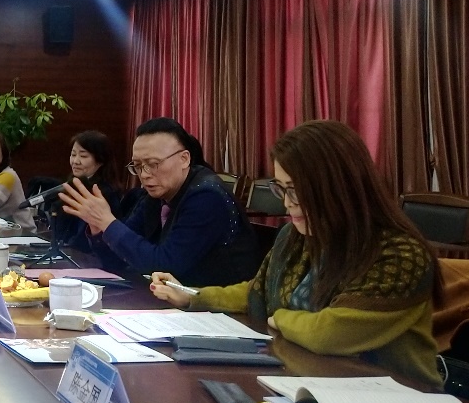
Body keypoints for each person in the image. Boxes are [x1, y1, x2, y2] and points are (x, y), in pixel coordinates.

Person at [151, 120, 442, 388]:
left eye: (297, 190)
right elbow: (257, 291)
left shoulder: (400, 255)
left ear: (340, 187)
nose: (288, 203)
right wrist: (191, 296)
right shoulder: (296, 237)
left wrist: (280, 318)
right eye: (282, 189)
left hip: (397, 400)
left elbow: (330, 333)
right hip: (313, 383)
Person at [59, 117, 259, 287]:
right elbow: (118, 260)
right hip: (171, 302)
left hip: (219, 310)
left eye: (153, 164)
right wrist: (98, 228)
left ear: (184, 159)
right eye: (138, 166)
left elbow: (165, 265)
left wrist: (108, 222)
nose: (145, 174)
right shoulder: (155, 196)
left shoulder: (206, 197)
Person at [49, 130, 122, 250]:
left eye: (83, 156)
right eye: (73, 155)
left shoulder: (104, 193)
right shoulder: (73, 184)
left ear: (100, 160)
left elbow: (83, 239)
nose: (75, 161)